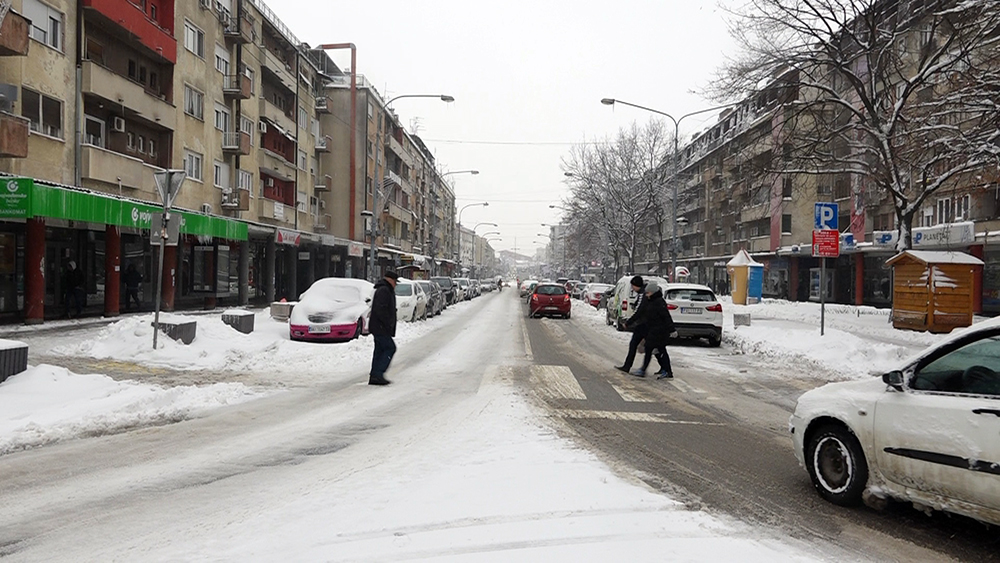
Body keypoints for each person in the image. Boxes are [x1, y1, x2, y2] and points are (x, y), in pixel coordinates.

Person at [628, 280, 677, 379]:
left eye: (648, 293)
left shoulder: (659, 302)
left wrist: (672, 330)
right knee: (658, 350)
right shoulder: (651, 301)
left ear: (653, 292)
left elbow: (666, 316)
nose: (646, 295)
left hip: (659, 331)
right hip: (653, 330)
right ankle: (666, 370)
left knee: (652, 349)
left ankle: (644, 370)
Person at [368, 270, 399, 386]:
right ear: (390, 280)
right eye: (395, 282)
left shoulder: (384, 289)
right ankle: (378, 373)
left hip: (378, 326)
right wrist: (387, 323)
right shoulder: (384, 290)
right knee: (390, 348)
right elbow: (381, 310)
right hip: (381, 327)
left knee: (379, 350)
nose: (395, 285)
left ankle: (375, 375)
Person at [614, 276, 648, 374]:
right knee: (653, 347)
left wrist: (628, 323)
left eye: (633, 286)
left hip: (643, 324)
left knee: (635, 345)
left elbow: (639, 311)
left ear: (637, 285)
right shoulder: (643, 293)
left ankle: (628, 366)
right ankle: (665, 368)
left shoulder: (642, 294)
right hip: (645, 323)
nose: (632, 288)